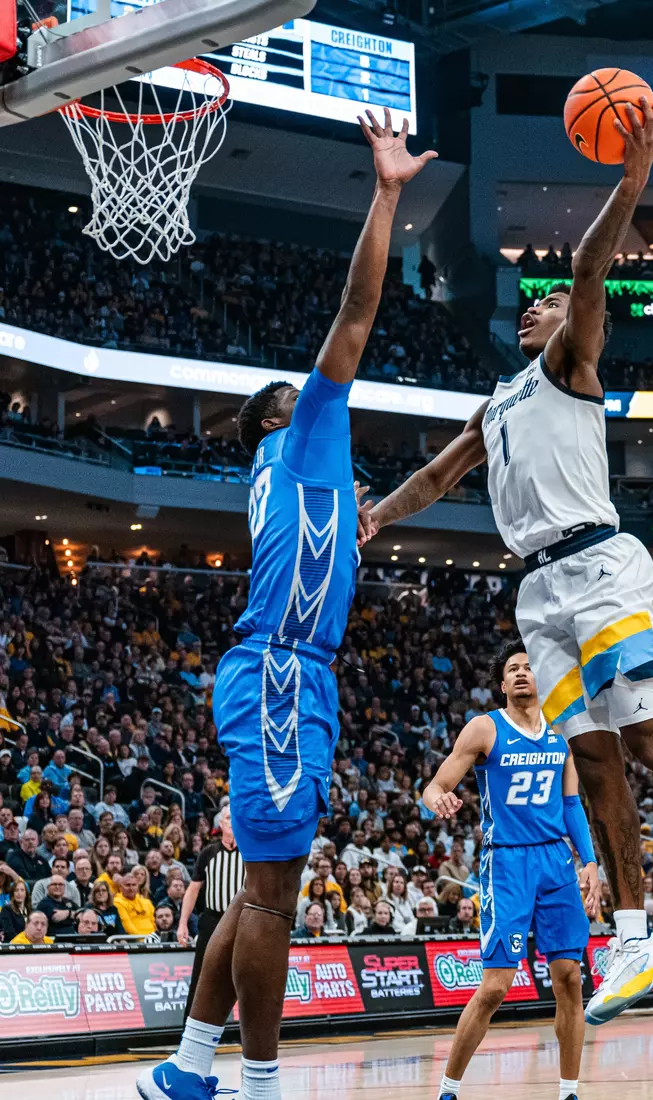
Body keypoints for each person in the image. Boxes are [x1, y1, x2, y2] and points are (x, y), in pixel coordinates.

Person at [360, 96, 653, 1024]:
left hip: (599, 565)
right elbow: (435, 476)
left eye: (550, 304)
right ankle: (634, 933)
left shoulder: (571, 366)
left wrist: (633, 179)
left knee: (649, 742)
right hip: (538, 591)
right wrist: (378, 513)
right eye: (533, 304)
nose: (540, 308)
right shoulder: (495, 404)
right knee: (594, 757)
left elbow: (585, 269)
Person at [139, 109, 437, 1100]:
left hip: (289, 671)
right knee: (274, 897)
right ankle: (261, 1082)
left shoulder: (303, 476)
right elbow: (356, 311)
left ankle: (190, 1067)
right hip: (277, 670)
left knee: (264, 890)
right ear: (284, 414)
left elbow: (385, 503)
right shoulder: (304, 432)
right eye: (303, 392)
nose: (327, 392)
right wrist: (385, 195)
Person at [422, 642, 599, 1100]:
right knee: (496, 987)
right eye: (512, 669)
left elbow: (571, 805)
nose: (521, 673)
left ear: (540, 678)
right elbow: (435, 786)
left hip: (556, 862)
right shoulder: (485, 728)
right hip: (507, 862)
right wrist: (439, 799)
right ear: (502, 684)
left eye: (528, 667)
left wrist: (590, 862)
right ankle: (448, 1089)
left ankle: (569, 1091)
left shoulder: (561, 731)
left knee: (570, 978)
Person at [178, 806, 245, 1021]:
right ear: (221, 824)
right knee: (200, 976)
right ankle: (188, 1028)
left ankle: (248, 1031)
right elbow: (193, 890)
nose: (232, 821)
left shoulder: (250, 853)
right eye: (228, 817)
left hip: (242, 922)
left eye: (235, 817)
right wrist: (183, 923)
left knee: (246, 976)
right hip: (212, 920)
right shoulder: (208, 853)